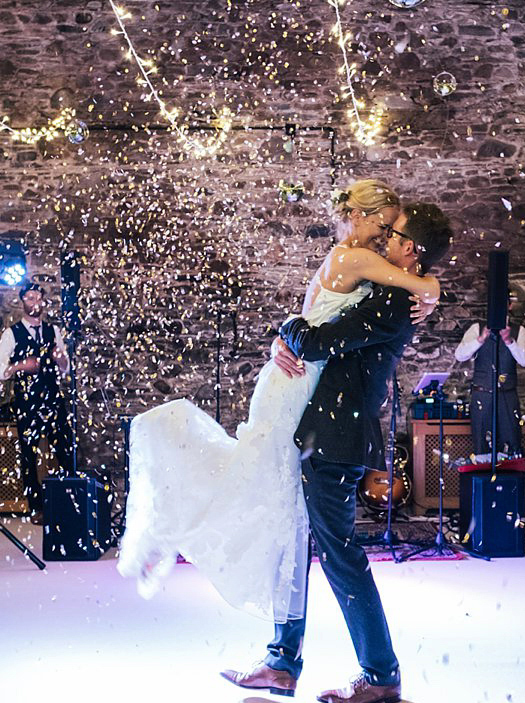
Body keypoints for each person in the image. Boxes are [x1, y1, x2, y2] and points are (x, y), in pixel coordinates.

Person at [116, 179, 440, 626]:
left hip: (299, 384)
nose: (386, 236)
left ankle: (280, 650)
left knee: (268, 499)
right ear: (360, 217)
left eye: (393, 232)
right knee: (259, 492)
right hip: (297, 385)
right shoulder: (357, 258)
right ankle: (175, 529)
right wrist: (433, 286)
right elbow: (404, 289)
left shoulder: (350, 261)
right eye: (384, 226)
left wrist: (285, 335)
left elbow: (325, 319)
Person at [221, 202, 453, 703]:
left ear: (410, 250)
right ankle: (282, 662)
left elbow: (318, 339)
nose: (383, 240)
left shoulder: (392, 303)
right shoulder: (393, 292)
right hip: (324, 436)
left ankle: (380, 673)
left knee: (340, 556)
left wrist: (287, 324)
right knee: (296, 543)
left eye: (392, 234)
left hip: (334, 441)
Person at [0, 283, 73, 521]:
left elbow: (66, 370)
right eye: (30, 297)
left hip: (53, 398)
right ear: (22, 301)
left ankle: (67, 500)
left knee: (65, 450)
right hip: (27, 401)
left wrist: (62, 360)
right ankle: (36, 507)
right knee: (29, 455)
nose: (35, 301)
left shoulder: (53, 331)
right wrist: (19, 366)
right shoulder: (11, 333)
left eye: (39, 297)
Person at [454, 306, 525, 460]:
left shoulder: (518, 330)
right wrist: (480, 340)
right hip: (482, 394)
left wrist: (509, 342)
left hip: (507, 396)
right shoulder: (477, 328)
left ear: (508, 306)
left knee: (511, 441)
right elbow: (460, 355)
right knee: (482, 442)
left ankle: (508, 478)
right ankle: (485, 479)